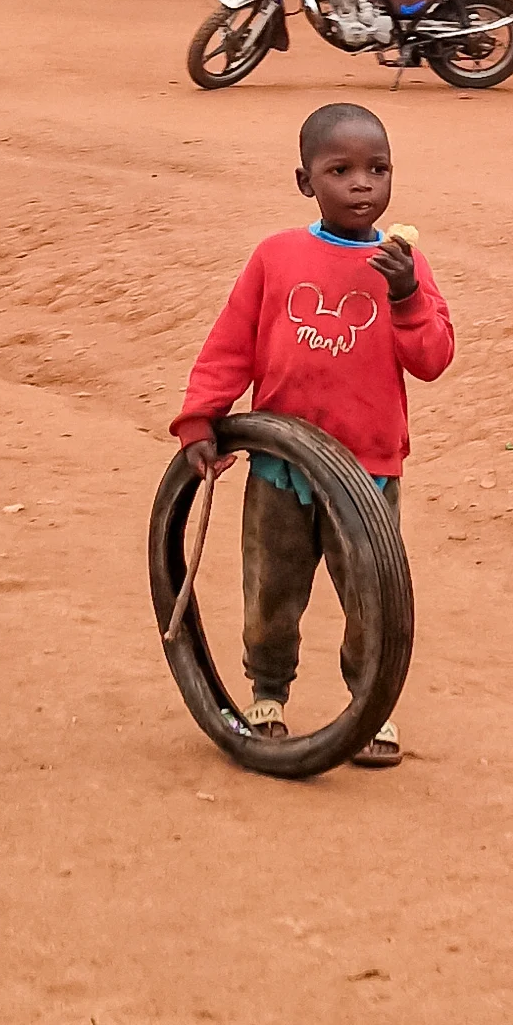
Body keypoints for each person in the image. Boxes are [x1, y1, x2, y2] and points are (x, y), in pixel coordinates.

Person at [172, 101, 455, 767]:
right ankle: (266, 697)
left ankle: (371, 707)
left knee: (370, 594)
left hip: (368, 472)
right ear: (306, 182)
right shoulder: (276, 258)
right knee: (272, 589)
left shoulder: (402, 265)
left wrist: (409, 295)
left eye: (377, 169)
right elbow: (230, 345)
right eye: (341, 169)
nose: (362, 184)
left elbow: (434, 358)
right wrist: (200, 418)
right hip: (279, 467)